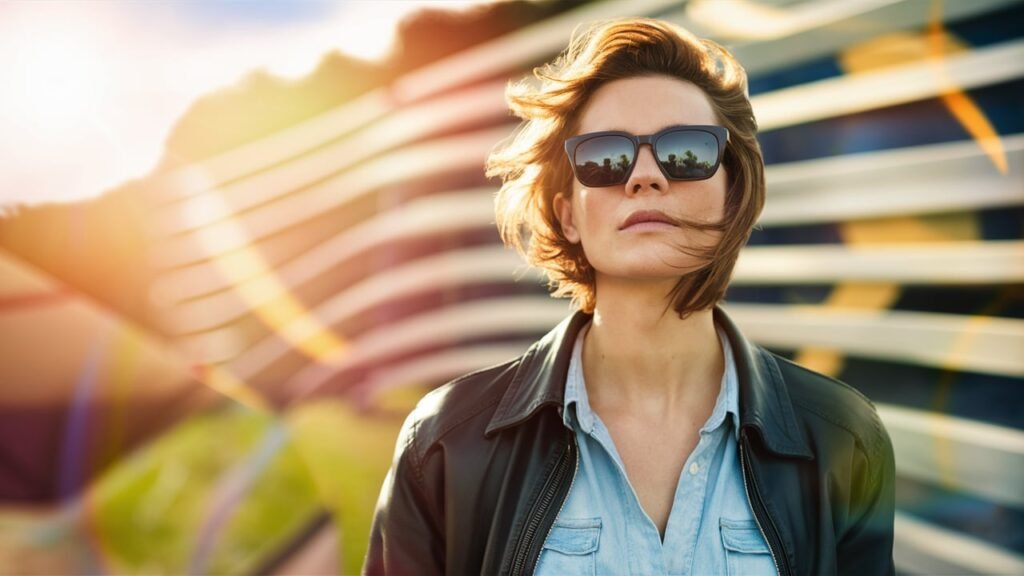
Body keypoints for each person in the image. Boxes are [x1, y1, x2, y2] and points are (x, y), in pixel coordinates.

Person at [364, 17, 895, 576]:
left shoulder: (843, 439)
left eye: (686, 152)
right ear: (567, 214)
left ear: (732, 196)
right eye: (605, 157)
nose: (645, 176)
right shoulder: (445, 446)